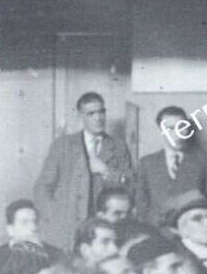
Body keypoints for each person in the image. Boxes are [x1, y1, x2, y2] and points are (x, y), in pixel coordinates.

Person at [32, 91, 134, 250]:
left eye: (101, 112)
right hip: (67, 230)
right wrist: (55, 217)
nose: (98, 118)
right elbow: (42, 187)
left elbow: (130, 186)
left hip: (104, 230)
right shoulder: (63, 145)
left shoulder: (118, 146)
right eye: (91, 113)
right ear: (81, 116)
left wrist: (106, 171)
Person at [135, 107, 207, 225]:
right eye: (170, 128)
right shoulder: (146, 163)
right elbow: (141, 207)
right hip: (156, 235)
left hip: (193, 236)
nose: (178, 134)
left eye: (182, 127)